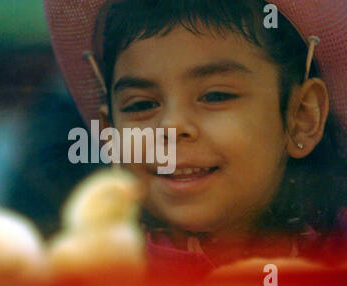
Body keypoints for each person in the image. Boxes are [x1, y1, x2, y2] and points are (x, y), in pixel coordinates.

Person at [45, 0, 346, 270]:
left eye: (215, 96)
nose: (172, 127)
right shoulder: (92, 273)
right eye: (142, 104)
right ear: (111, 134)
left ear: (301, 117)